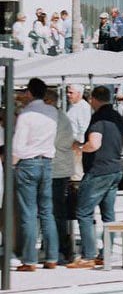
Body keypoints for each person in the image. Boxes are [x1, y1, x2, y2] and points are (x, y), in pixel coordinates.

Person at [68, 86, 123, 269]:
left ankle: (88, 256)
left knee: (83, 211)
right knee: (108, 215)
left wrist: (80, 148)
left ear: (93, 99)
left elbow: (94, 144)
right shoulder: (116, 116)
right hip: (115, 170)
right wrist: (117, 152)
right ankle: (105, 254)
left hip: (98, 171)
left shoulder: (98, 118)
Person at [12, 78, 59, 271]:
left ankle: (29, 259)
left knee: (28, 213)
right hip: (47, 162)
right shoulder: (53, 112)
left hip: (28, 163)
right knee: (47, 212)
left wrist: (13, 165)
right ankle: (52, 257)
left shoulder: (26, 114)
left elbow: (18, 146)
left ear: (29, 93)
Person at [44, 89, 75, 264]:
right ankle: (58, 247)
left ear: (49, 101)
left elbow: (50, 142)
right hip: (60, 168)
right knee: (55, 210)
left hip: (56, 169)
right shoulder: (61, 116)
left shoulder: (53, 118)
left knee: (54, 211)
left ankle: (61, 248)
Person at [66, 84, 92, 179]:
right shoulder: (73, 106)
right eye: (67, 92)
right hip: (71, 144)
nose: (68, 94)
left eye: (71, 92)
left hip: (76, 144)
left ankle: (76, 191)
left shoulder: (83, 107)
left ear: (79, 93)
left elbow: (84, 128)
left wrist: (79, 146)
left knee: (76, 172)